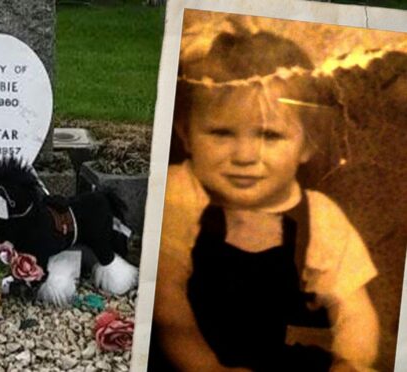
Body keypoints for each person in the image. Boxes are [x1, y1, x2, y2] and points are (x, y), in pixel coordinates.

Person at [151, 64, 380, 371]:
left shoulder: (320, 215)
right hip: (187, 356)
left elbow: (353, 310)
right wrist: (206, 368)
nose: (245, 156)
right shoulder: (178, 190)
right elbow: (165, 299)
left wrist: (350, 361)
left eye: (270, 136)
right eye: (221, 133)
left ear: (308, 144)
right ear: (185, 132)